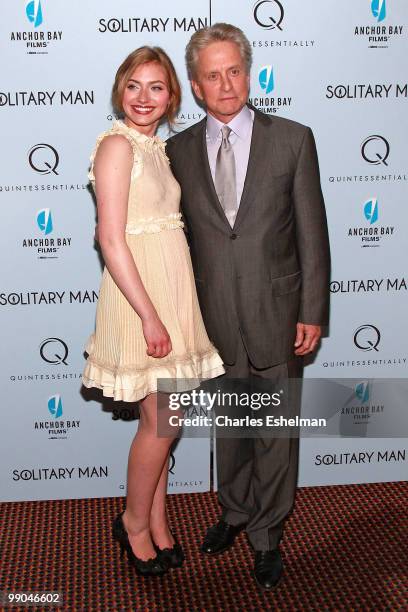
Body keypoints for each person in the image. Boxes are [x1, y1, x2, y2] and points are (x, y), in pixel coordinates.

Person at [166, 23, 330, 589]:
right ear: (195, 85)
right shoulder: (177, 152)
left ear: (249, 70)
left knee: (275, 435)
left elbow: (313, 234)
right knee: (230, 429)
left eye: (234, 70)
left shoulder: (293, 139)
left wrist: (312, 310)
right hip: (212, 323)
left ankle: (267, 536)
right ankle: (233, 512)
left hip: (280, 316)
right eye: (212, 75)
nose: (226, 83)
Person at [82, 46, 224, 577]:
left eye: (157, 87)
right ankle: (133, 523)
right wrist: (148, 315)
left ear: (171, 97)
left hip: (171, 293)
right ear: (121, 89)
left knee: (164, 421)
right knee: (161, 424)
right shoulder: (117, 146)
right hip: (141, 298)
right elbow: (110, 239)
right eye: (134, 86)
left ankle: (158, 522)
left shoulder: (154, 148)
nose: (144, 97)